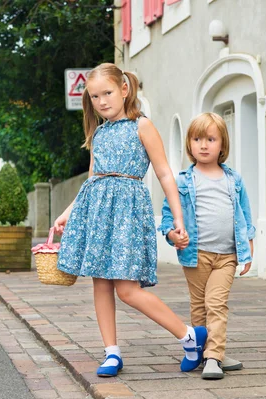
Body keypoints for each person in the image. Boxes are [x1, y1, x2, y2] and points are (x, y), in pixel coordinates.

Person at [53, 63, 207, 377]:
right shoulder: (97, 133)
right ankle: (111, 352)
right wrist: (68, 213)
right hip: (97, 213)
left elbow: (164, 173)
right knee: (100, 283)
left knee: (127, 290)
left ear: (124, 90)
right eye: (95, 97)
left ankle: (189, 336)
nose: (101, 101)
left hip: (127, 213)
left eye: (107, 93)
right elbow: (93, 178)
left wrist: (178, 219)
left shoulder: (142, 125)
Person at [158, 112, 255, 380]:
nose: (203, 145)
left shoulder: (233, 180)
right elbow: (168, 214)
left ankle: (214, 356)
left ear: (222, 144)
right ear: (189, 144)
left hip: (227, 256)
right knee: (199, 306)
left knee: (216, 302)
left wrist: (249, 243)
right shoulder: (183, 181)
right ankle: (204, 352)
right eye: (197, 139)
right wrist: (172, 234)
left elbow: (244, 213)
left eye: (210, 139)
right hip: (195, 255)